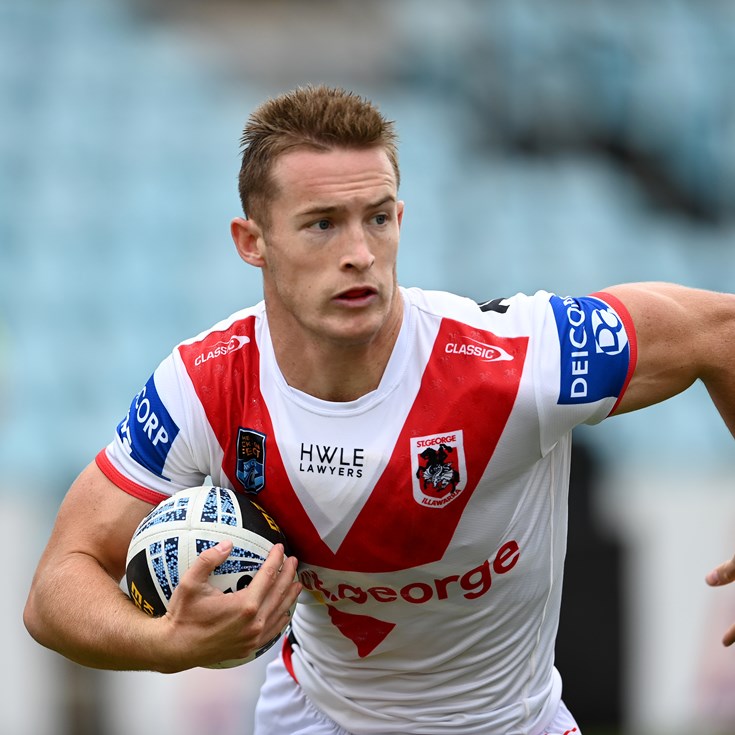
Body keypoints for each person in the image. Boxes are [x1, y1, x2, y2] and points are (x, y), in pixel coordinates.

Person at [24, 84, 735, 735]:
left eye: (378, 218)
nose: (360, 253)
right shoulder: (205, 384)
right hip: (314, 718)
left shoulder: (516, 360)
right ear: (252, 242)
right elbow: (58, 583)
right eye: (322, 224)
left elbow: (719, 331)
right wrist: (165, 644)